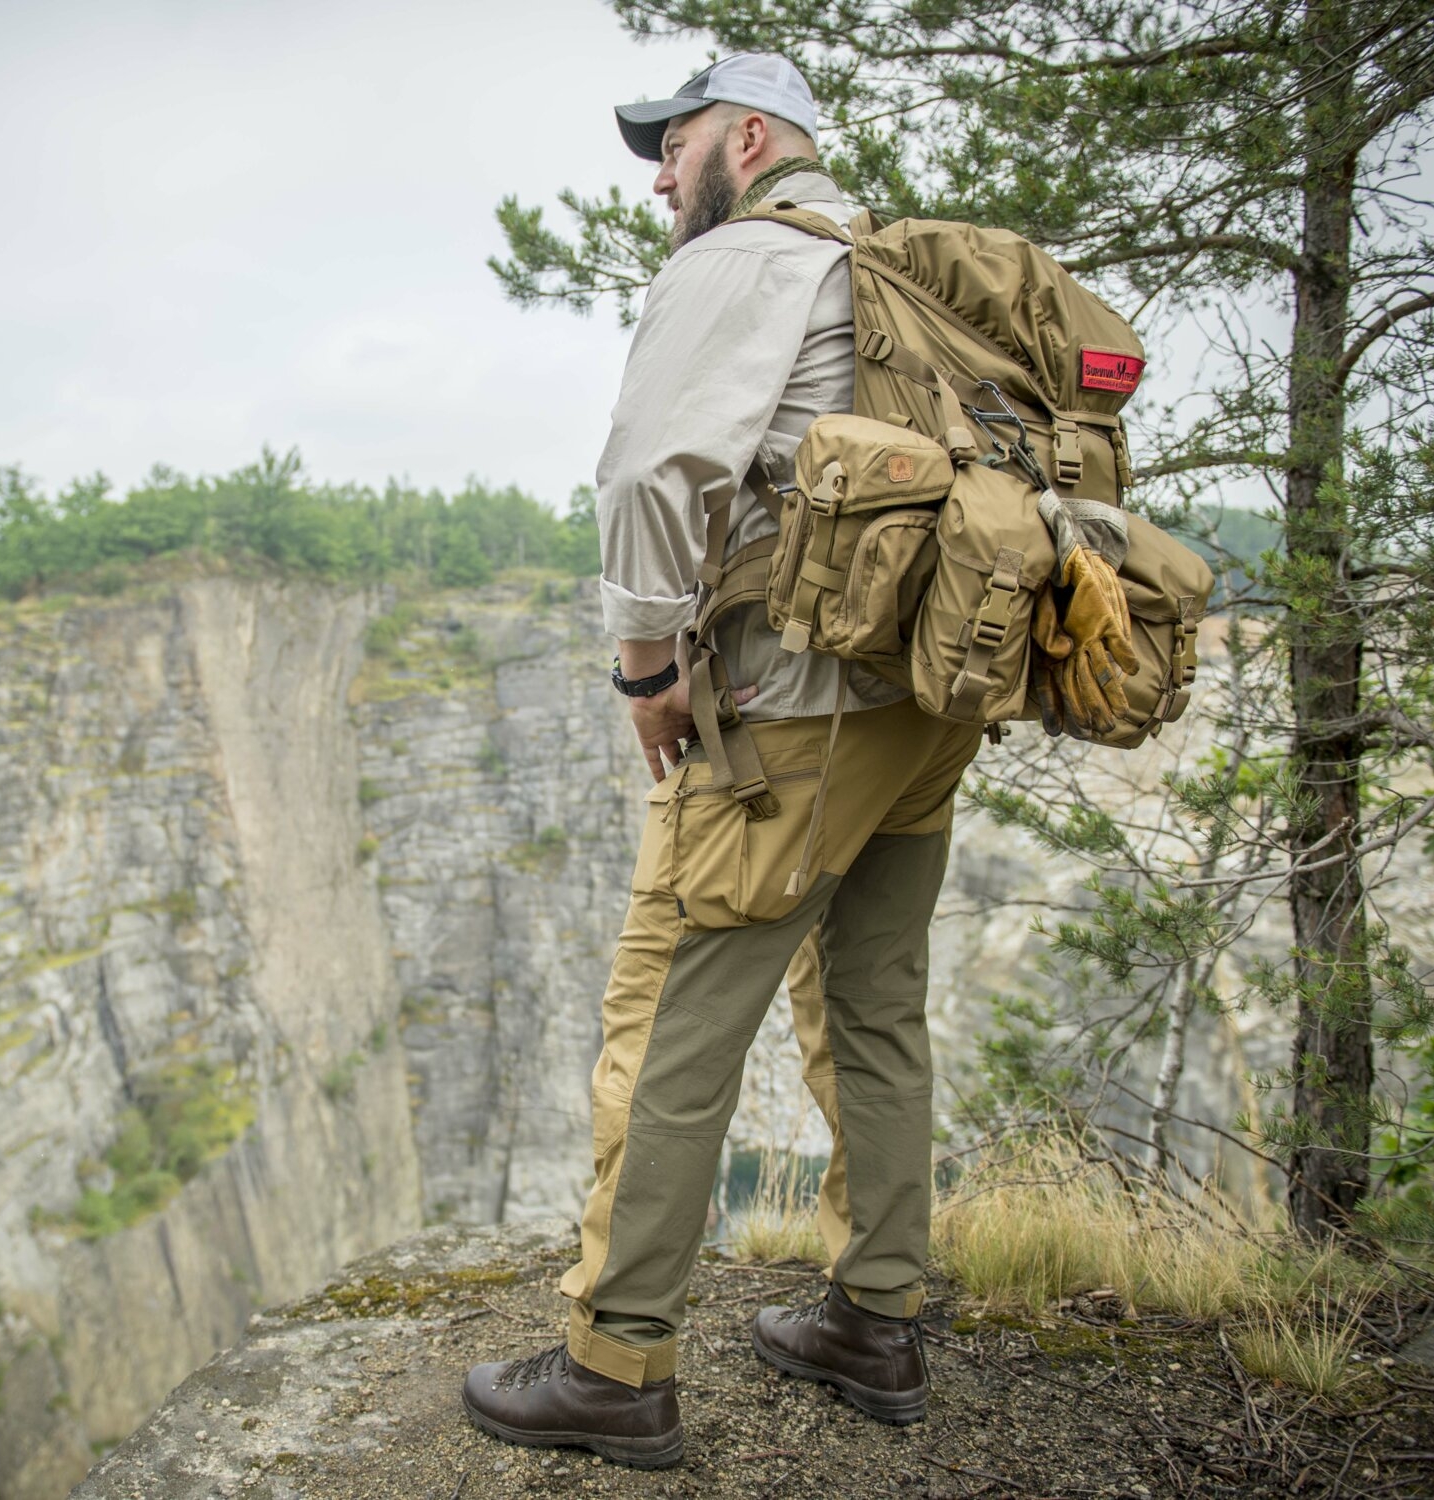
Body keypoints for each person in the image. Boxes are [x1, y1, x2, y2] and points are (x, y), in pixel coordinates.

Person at [460, 52, 982, 1470]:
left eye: (672, 141)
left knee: (677, 1011)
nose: (656, 173)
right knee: (875, 1006)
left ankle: (615, 1361)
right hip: (923, 705)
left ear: (746, 139)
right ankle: (876, 1320)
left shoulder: (748, 257)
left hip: (798, 714)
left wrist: (643, 669)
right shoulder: (893, 269)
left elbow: (648, 474)